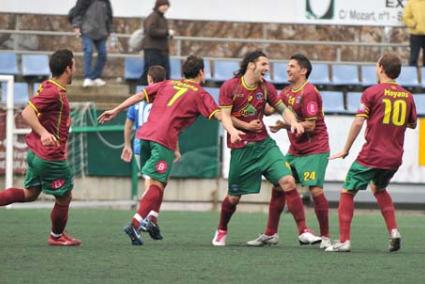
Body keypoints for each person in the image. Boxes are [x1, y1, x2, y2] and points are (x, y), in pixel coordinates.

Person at [98, 55, 243, 246]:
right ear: (201, 72)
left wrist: (116, 110)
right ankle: (135, 223)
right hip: (163, 140)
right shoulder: (201, 94)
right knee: (156, 186)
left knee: (160, 183)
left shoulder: (167, 84)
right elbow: (220, 116)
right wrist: (232, 131)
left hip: (145, 136)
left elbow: (140, 95)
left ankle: (153, 221)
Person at [211, 50, 321, 247]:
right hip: (242, 148)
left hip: (265, 146)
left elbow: (282, 109)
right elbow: (225, 116)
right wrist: (239, 129)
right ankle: (221, 230)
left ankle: (304, 231)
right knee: (233, 198)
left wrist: (294, 122)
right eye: (263, 64)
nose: (267, 68)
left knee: (287, 181)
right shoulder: (230, 86)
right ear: (251, 65)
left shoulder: (266, 87)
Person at [325, 53, 417, 252]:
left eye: (377, 65)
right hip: (394, 157)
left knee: (347, 191)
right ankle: (393, 231)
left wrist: (346, 149)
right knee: (379, 189)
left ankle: (344, 241)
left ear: (381, 68)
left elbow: (358, 121)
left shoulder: (372, 92)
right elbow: (412, 124)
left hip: (372, 154)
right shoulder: (408, 96)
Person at [246, 54, 331, 249]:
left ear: (303, 71)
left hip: (314, 149)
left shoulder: (309, 92)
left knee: (315, 190)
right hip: (296, 150)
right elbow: (268, 109)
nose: (287, 69)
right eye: (287, 66)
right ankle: (270, 234)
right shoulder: (286, 91)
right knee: (279, 185)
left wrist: (284, 125)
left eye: (292, 66)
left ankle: (325, 237)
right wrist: (254, 92)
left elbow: (310, 126)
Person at [0, 49, 81, 246]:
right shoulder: (53, 91)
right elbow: (27, 113)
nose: (76, 68)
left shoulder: (50, 86)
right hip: (49, 157)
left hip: (36, 153)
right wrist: (44, 133)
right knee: (64, 197)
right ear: (68, 68)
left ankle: (58, 234)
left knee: (30, 194)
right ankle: (56, 236)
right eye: (75, 64)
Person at [121, 65, 170, 191]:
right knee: (154, 182)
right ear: (164, 79)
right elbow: (170, 125)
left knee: (150, 179)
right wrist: (175, 148)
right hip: (157, 144)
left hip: (139, 145)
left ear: (149, 79)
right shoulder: (166, 99)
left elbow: (128, 124)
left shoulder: (139, 98)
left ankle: (147, 207)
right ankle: (146, 208)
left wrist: (127, 145)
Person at [71, 0, 113, 87]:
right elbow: (77, 13)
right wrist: (76, 26)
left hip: (101, 32)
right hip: (87, 31)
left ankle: (95, 77)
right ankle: (88, 77)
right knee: (88, 51)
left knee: (103, 54)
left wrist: (109, 31)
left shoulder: (106, 2)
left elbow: (109, 17)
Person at [139, 0, 174, 85]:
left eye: (166, 5)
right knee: (150, 73)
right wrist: (166, 32)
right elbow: (151, 31)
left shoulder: (163, 18)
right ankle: (141, 91)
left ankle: (164, 92)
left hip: (161, 50)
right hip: (152, 50)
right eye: (163, 5)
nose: (165, 7)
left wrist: (169, 34)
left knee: (164, 73)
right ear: (158, 5)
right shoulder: (153, 16)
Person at [402, 0, 425, 67]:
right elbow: (405, 17)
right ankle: (412, 76)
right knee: (413, 58)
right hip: (415, 34)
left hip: (417, 33)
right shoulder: (411, 2)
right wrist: (413, 24)